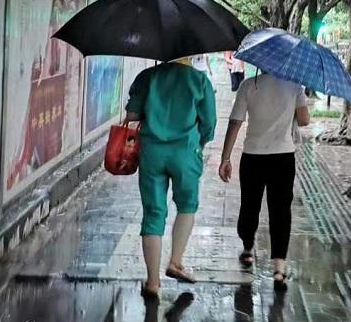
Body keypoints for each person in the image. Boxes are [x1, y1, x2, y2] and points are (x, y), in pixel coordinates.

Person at [125, 57, 216, 297]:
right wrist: (198, 142)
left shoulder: (147, 77)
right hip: (186, 153)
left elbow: (132, 115)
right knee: (187, 206)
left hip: (151, 154)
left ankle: (153, 282)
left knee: (153, 214)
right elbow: (209, 124)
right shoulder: (199, 81)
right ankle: (176, 262)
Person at [218, 71, 311, 290]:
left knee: (250, 205)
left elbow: (235, 122)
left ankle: (248, 248)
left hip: (253, 156)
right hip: (283, 157)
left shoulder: (249, 85)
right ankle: (279, 268)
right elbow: (304, 120)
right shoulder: (294, 85)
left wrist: (225, 158)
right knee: (281, 211)